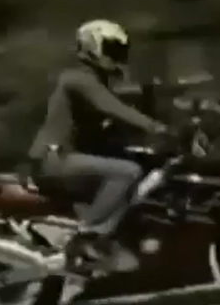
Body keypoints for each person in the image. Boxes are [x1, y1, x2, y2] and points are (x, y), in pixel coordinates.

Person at [22, 19, 169, 265]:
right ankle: (88, 235)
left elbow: (110, 122)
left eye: (120, 50)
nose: (117, 56)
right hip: (55, 160)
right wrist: (157, 128)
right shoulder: (77, 79)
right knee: (128, 172)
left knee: (137, 163)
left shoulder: (95, 82)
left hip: (67, 158)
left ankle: (120, 237)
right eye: (112, 49)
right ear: (93, 47)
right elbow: (112, 108)